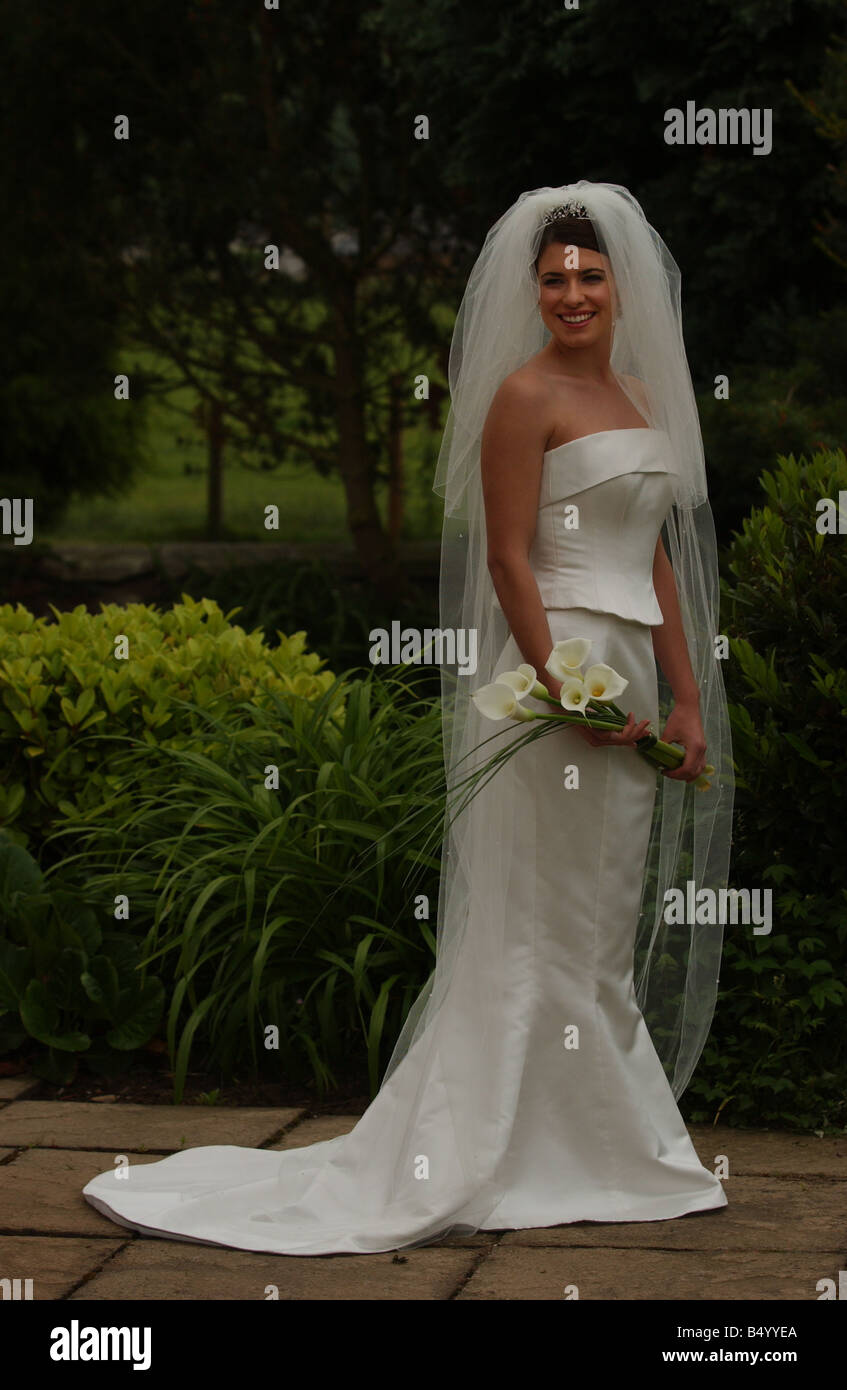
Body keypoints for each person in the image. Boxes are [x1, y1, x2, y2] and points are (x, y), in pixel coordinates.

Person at [83, 182, 734, 1254]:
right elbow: (510, 555)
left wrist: (686, 697)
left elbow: (655, 556)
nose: (572, 294)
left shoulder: (644, 401)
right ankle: (490, 1148)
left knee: (600, 916)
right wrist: (558, 684)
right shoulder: (523, 398)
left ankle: (608, 1147)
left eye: (588, 277)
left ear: (621, 289)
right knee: (533, 919)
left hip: (628, 682)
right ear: (533, 294)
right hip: (553, 677)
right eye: (554, 280)